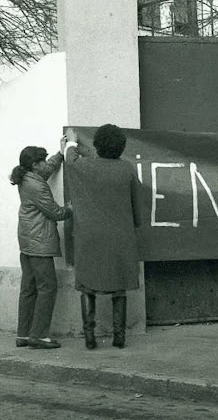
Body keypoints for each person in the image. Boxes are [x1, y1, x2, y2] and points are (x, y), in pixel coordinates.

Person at [65, 124, 144, 349]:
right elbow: (137, 207)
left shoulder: (84, 167)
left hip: (89, 235)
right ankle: (119, 337)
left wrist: (72, 141)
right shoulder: (127, 169)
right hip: (120, 235)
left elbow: (70, 161)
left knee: (87, 286)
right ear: (121, 146)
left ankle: (89, 337)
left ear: (98, 145)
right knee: (118, 287)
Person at [11, 138, 72, 349]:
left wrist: (60, 154)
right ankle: (39, 335)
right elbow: (55, 213)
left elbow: (48, 170)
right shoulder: (37, 186)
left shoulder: (27, 178)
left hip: (27, 240)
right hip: (40, 242)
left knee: (28, 288)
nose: (47, 163)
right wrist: (71, 209)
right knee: (47, 287)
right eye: (43, 161)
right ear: (35, 165)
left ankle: (24, 334)